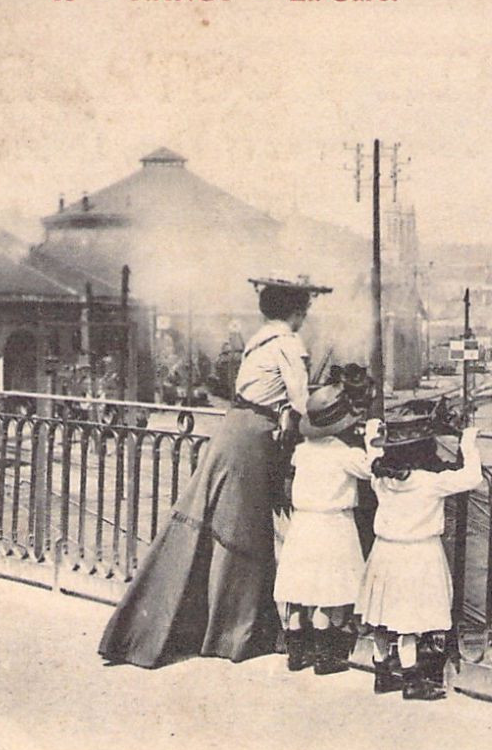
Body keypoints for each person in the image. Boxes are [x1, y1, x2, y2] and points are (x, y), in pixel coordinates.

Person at [98, 276, 331, 668]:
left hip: (232, 431)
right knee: (246, 533)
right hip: (253, 440)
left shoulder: (258, 340)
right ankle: (232, 634)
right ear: (296, 312)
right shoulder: (290, 344)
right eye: (304, 310)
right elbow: (301, 403)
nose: (305, 317)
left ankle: (153, 630)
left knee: (211, 524)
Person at [358, 411, 483, 701]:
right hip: (418, 554)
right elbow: (472, 477)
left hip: (384, 551)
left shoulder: (381, 478)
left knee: (382, 614)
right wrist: (468, 443)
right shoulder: (430, 482)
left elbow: (371, 458)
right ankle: (412, 679)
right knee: (409, 619)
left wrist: (371, 436)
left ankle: (382, 674)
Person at [273, 382, 374, 675]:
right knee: (326, 592)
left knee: (300, 587)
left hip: (303, 524)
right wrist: (371, 440)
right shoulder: (345, 453)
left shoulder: (302, 451)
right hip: (333, 524)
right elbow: (371, 469)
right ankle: (324, 657)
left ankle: (295, 653)